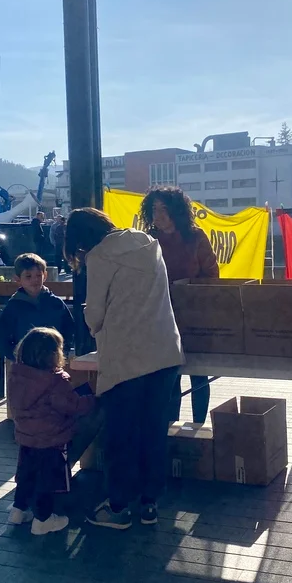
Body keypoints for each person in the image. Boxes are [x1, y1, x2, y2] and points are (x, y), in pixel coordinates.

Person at [64, 208, 183, 530]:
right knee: (153, 430)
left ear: (82, 240)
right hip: (165, 351)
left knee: (122, 434)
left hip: (127, 358)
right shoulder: (148, 242)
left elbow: (95, 314)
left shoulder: (99, 256)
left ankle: (117, 506)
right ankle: (149, 503)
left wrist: (91, 321)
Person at [7, 327, 98, 535]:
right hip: (51, 439)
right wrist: (93, 400)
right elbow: (73, 406)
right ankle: (43, 520)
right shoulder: (55, 381)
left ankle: (18, 510)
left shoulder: (17, 374)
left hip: (26, 437)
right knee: (46, 480)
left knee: (26, 475)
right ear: (53, 354)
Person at [140, 187, 219, 425]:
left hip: (195, 316)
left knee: (198, 376)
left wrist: (188, 289)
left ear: (177, 211)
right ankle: (171, 430)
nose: (158, 215)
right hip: (161, 318)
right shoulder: (148, 240)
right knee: (170, 377)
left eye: (164, 209)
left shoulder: (196, 237)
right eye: (154, 209)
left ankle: (198, 428)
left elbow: (212, 276)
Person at [0, 253, 74, 361]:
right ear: (18, 279)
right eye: (28, 276)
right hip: (24, 362)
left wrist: (63, 351)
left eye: (38, 275)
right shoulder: (14, 306)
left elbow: (69, 329)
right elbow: (2, 338)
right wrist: (16, 356)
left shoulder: (56, 303)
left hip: (52, 359)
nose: (34, 280)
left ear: (45, 275)